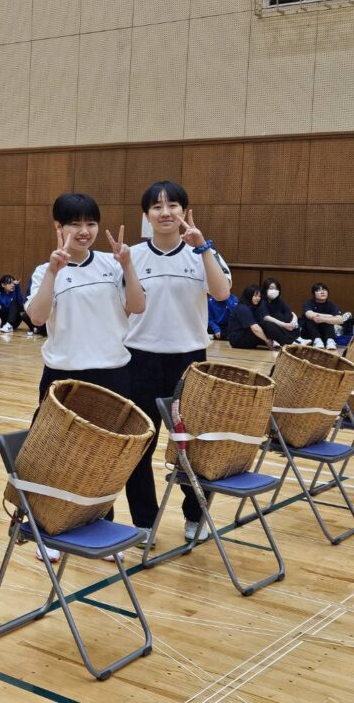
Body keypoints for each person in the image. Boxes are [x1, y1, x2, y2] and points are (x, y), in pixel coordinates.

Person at [25, 193, 145, 562]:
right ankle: (47, 530)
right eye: (74, 224)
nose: (84, 231)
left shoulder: (112, 263)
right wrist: (52, 272)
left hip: (113, 374)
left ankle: (100, 525)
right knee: (55, 458)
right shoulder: (44, 270)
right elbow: (37, 317)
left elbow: (138, 306)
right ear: (58, 227)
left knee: (106, 461)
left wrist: (128, 266)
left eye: (90, 223)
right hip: (64, 377)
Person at [122, 181, 232, 546]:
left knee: (193, 445)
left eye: (172, 205)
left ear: (184, 211)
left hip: (189, 363)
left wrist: (203, 248)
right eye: (157, 206)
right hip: (139, 360)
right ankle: (143, 522)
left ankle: (195, 515)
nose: (165, 212)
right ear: (147, 215)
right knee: (139, 444)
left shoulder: (202, 252)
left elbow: (221, 292)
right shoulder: (132, 256)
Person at [301, 283, 350, 350]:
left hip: (325, 334)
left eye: (324, 290)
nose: (322, 292)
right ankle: (317, 341)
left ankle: (330, 341)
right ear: (314, 294)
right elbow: (309, 314)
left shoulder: (331, 304)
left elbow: (340, 320)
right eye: (318, 290)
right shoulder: (309, 302)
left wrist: (323, 319)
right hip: (309, 334)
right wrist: (330, 316)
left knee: (328, 321)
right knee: (311, 319)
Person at [257, 277, 301, 346]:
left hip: (283, 326)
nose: (274, 291)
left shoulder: (280, 301)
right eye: (271, 288)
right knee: (271, 322)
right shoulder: (262, 301)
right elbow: (266, 317)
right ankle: (291, 342)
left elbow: (289, 313)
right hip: (269, 327)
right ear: (265, 289)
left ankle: (297, 339)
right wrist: (284, 324)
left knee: (285, 317)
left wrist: (292, 323)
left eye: (276, 288)